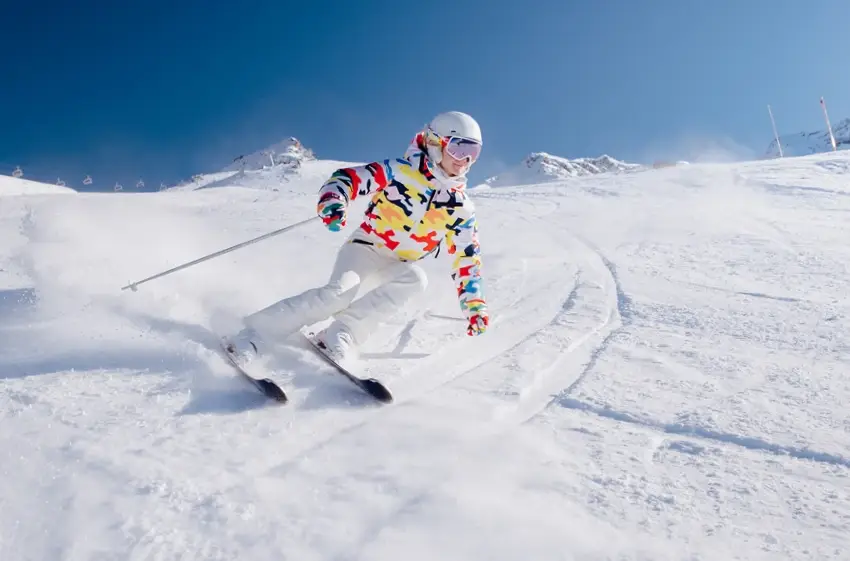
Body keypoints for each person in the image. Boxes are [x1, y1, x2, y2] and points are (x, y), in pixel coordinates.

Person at [223, 110, 489, 366]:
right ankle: (253, 335)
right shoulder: (401, 171)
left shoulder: (461, 208)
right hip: (368, 246)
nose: (464, 160)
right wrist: (334, 199)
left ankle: (340, 333)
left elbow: (467, 259)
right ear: (435, 143)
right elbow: (349, 179)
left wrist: (474, 305)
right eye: (458, 149)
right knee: (337, 295)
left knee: (416, 280)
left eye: (473, 152)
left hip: (399, 262)